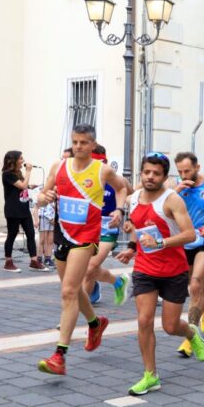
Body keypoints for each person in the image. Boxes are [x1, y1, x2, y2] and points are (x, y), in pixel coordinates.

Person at [35, 125, 129, 375]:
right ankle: (96, 324)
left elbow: (122, 187)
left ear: (93, 145)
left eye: (83, 143)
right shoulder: (58, 167)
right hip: (62, 234)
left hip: (86, 238)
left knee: (67, 291)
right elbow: (43, 194)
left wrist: (119, 210)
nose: (78, 147)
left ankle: (59, 355)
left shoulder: (102, 170)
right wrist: (44, 197)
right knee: (74, 290)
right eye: (75, 142)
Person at [115, 152, 204, 394]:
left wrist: (162, 244)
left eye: (156, 173)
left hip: (173, 270)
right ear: (141, 172)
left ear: (165, 177)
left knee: (169, 326)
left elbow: (190, 235)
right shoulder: (133, 199)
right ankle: (150, 375)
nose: (150, 177)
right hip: (145, 269)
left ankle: (191, 332)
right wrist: (132, 246)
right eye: (146, 172)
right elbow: (141, 229)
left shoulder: (172, 200)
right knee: (144, 321)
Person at [171, 152, 204, 358]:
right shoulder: (177, 189)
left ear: (197, 167)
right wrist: (174, 192)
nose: (184, 175)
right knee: (195, 286)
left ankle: (190, 336)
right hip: (186, 241)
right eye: (180, 172)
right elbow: (165, 211)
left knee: (195, 284)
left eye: (188, 171)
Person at [80, 146, 131, 307]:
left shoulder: (117, 180)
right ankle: (118, 282)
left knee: (90, 267)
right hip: (86, 226)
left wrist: (121, 211)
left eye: (100, 163)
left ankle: (77, 309)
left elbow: (135, 196)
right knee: (87, 269)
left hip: (107, 226)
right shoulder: (82, 179)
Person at [1, 150, 47, 272]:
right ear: (13, 160)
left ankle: (34, 261)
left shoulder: (18, 173)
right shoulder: (7, 174)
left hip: (24, 208)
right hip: (13, 210)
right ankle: (8, 262)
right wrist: (28, 171)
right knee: (12, 235)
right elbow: (22, 186)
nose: (23, 161)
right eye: (21, 158)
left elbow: (23, 186)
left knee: (31, 234)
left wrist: (30, 186)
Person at [33, 199, 55, 268]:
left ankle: (48, 258)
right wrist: (36, 220)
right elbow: (36, 207)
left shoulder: (55, 193)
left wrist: (55, 218)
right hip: (43, 217)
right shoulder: (41, 192)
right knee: (42, 239)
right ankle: (39, 258)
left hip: (52, 218)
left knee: (50, 240)